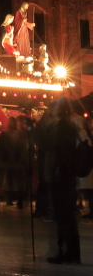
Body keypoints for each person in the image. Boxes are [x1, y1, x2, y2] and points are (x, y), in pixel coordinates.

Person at [46, 97, 81, 263]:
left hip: (60, 176)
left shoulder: (59, 129)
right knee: (68, 216)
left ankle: (65, 251)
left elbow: (57, 151)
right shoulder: (71, 128)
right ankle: (73, 252)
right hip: (69, 175)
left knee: (61, 215)